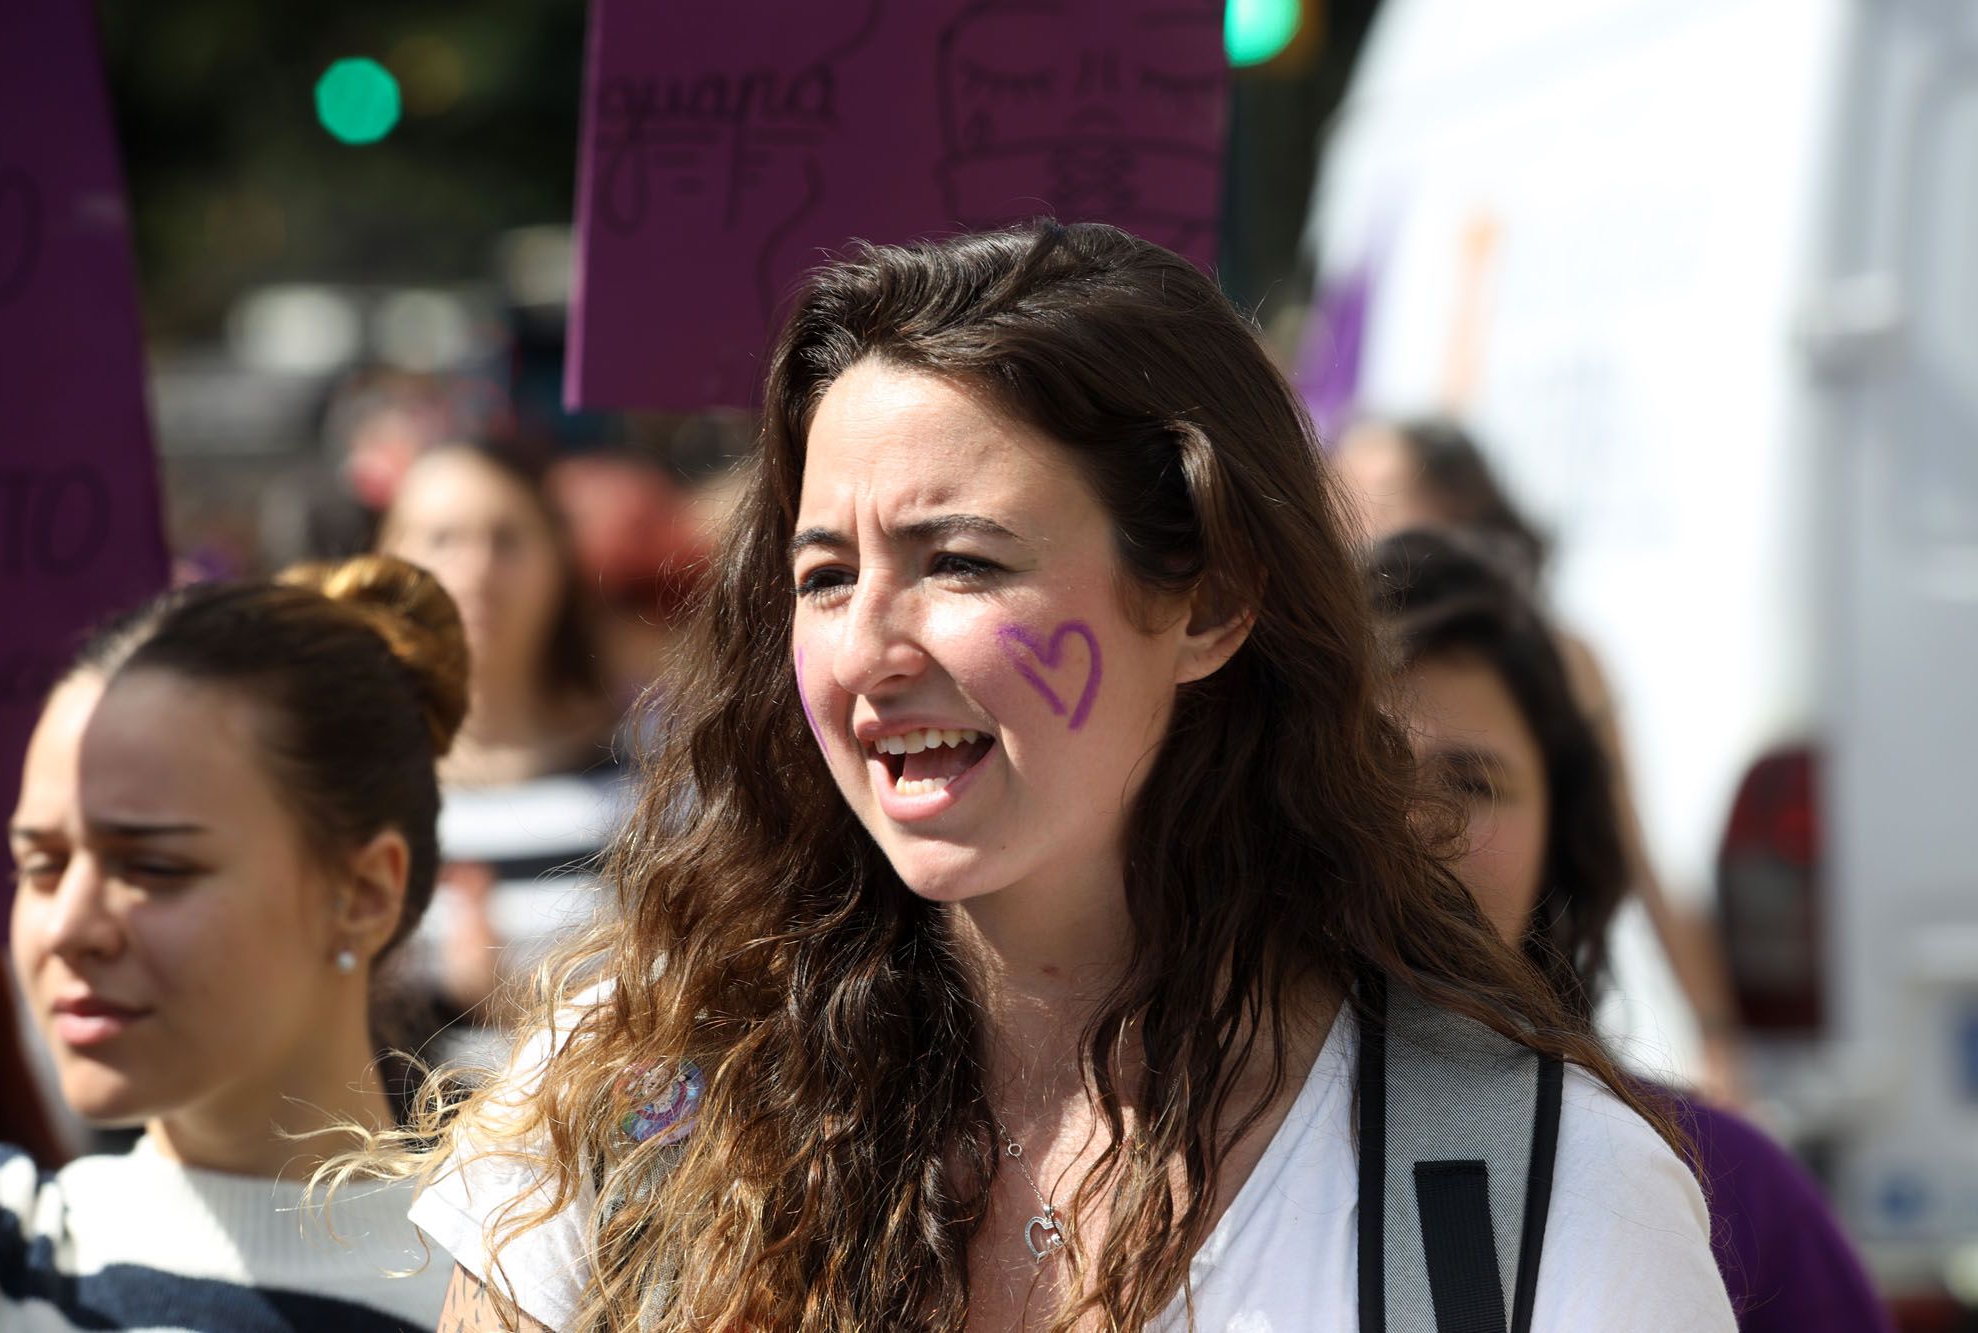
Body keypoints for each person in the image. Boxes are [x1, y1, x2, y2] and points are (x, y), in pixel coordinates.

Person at [376, 222, 1732, 1332]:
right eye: (823, 576)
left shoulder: (1533, 1202)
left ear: (1209, 603)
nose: (868, 651)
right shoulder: (632, 1105)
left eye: (962, 561)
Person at [1368, 526, 1890, 1332]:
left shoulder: (1729, 1194)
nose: (1422, 825)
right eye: (1367, 772)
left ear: (1562, 837)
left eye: (1473, 782)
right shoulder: (1154, 1172)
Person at [0, 556, 463, 1330]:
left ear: (365, 893)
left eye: (155, 867)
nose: (68, 926)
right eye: (40, 865)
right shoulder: (5, 1254)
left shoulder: (522, 1293)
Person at [1333, 413, 1749, 1103]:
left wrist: (1716, 1039)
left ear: (1460, 499)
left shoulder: (1554, 657)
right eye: (1341, 490)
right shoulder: (1311, 654)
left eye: (1381, 491)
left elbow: (1636, 855)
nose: (1355, 515)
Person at [377, 442, 628, 1048]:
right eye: (441, 539)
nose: (476, 569)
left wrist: (513, 1007)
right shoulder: (346, 790)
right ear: (386, 564)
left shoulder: (656, 776)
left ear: (559, 559)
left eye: (507, 539)